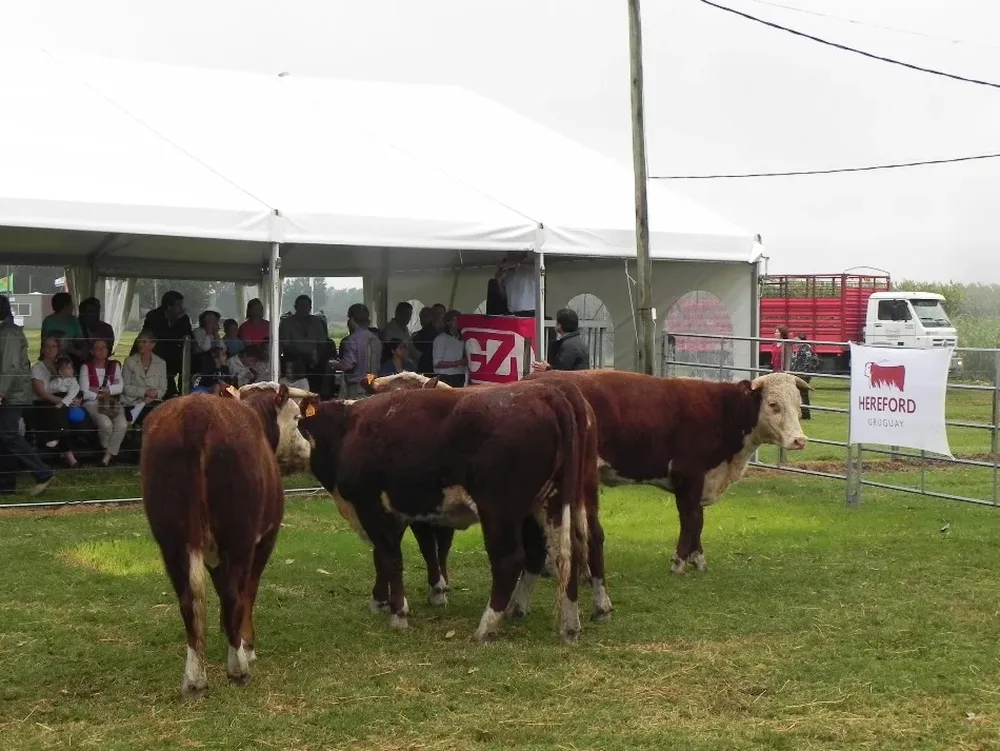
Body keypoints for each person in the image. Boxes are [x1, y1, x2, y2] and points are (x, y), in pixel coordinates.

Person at [0, 296, 55, 495]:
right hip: (9, 391)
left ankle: (43, 473)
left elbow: (10, 367)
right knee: (4, 438)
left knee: (9, 435)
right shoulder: (5, 331)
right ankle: (5, 485)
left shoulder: (9, 334)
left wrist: (1, 393)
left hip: (11, 393)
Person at [29, 337, 79, 468]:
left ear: (58, 349)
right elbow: (42, 393)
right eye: (47, 346)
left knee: (70, 414)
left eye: (54, 346)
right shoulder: (37, 368)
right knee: (58, 413)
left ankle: (63, 445)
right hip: (42, 402)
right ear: (42, 349)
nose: (50, 349)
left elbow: (73, 385)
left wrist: (73, 400)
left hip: (62, 400)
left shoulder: (63, 366)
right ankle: (69, 455)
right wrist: (64, 402)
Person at [78, 339, 127, 467]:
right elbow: (84, 390)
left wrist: (99, 390)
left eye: (103, 348)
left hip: (111, 403)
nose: (100, 351)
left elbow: (120, 387)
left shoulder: (114, 365)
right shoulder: (86, 367)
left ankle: (107, 457)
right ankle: (109, 453)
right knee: (106, 424)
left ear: (108, 350)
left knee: (122, 425)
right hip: (92, 403)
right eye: (97, 348)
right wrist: (105, 392)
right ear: (92, 351)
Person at [140, 291, 193, 398]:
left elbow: (188, 335)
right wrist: (177, 322)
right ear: (169, 306)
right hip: (153, 353)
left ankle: (181, 391)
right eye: (179, 305)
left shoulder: (183, 318)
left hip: (172, 355)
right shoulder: (154, 316)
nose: (182, 308)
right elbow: (162, 336)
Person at [279, 295, 333, 394]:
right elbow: (285, 344)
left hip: (315, 363)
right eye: (301, 306)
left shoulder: (317, 322)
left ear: (310, 308)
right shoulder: (287, 322)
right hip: (294, 364)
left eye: (306, 306)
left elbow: (322, 342)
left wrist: (317, 357)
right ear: (295, 307)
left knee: (314, 390)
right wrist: (302, 356)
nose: (304, 309)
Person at [330, 303, 382, 398]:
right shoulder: (375, 339)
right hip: (373, 386)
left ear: (352, 320)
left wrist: (334, 363)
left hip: (357, 388)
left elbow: (348, 365)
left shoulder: (352, 340)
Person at [121, 330, 168, 425]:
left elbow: (163, 389)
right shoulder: (129, 361)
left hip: (152, 403)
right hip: (131, 404)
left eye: (144, 342)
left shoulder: (161, 363)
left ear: (153, 344)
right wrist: (145, 392)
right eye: (139, 342)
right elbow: (125, 387)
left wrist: (154, 395)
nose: (140, 345)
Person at [531, 308, 591, 373]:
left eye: (556, 321)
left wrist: (547, 369)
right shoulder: (576, 342)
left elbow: (561, 372)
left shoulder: (569, 346)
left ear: (560, 325)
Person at [493, 251, 536, 317]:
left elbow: (539, 268)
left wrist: (516, 264)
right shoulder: (508, 271)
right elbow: (503, 295)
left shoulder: (532, 262)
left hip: (529, 310)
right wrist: (499, 281)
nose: (509, 253)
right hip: (511, 311)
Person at [433, 309, 468, 387]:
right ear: (448, 323)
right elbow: (437, 363)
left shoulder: (462, 339)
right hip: (445, 376)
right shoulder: (441, 339)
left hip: (459, 376)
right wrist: (458, 363)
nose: (458, 323)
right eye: (455, 320)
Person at [789, 333, 818, 420]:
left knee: (803, 394)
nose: (795, 342)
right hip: (802, 374)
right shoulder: (803, 348)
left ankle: (805, 414)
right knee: (802, 394)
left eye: (797, 340)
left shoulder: (805, 349)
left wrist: (798, 372)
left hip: (803, 375)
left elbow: (804, 363)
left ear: (802, 340)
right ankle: (804, 413)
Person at [411, 306, 440, 375]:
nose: (422, 319)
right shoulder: (422, 332)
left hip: (426, 365)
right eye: (421, 317)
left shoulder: (430, 332)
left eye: (425, 317)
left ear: (431, 317)